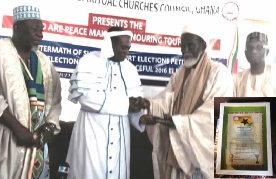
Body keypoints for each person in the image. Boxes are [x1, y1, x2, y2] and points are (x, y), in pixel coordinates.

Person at [0, 5, 62, 179]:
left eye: (42, 30)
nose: (41, 34)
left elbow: (55, 101)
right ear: (17, 27)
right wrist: (19, 130)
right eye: (35, 29)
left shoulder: (44, 62)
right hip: (5, 138)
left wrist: (50, 127)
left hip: (37, 147)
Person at [137, 24, 234, 178]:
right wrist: (149, 105)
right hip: (177, 148)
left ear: (203, 45)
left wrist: (180, 123)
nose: (186, 50)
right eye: (183, 46)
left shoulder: (219, 73)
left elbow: (215, 114)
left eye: (191, 45)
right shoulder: (179, 75)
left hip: (200, 156)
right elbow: (167, 100)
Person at [66, 26, 146, 179]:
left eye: (128, 48)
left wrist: (140, 118)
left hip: (120, 137)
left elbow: (133, 106)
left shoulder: (131, 70)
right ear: (110, 43)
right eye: (123, 47)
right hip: (92, 134)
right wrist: (126, 104)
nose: (126, 51)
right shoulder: (88, 62)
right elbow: (86, 98)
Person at [233, 31, 276, 97]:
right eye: (250, 48)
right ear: (245, 53)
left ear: (267, 52)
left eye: (259, 47)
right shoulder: (237, 79)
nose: (254, 51)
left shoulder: (273, 75)